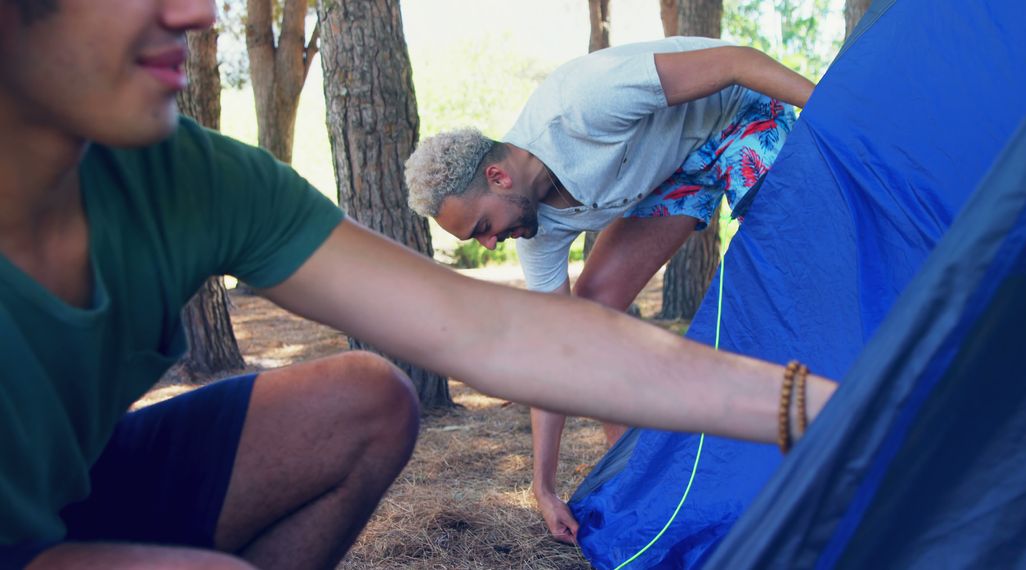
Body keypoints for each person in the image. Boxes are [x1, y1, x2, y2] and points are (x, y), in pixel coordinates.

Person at [0, 1, 834, 568]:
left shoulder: (194, 178)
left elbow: (502, 334)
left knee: (372, 395)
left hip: (79, 485)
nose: (199, 13)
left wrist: (816, 408)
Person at [404, 37, 814, 543]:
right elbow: (559, 354)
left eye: (484, 226)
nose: (489, 245)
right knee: (590, 317)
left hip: (742, 113)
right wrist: (543, 486)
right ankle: (634, 478)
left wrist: (832, 112)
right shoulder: (536, 233)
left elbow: (737, 63)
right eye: (478, 239)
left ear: (498, 175)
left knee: (783, 257)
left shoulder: (584, 105)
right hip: (679, 168)